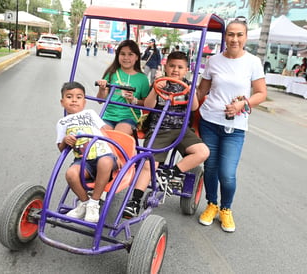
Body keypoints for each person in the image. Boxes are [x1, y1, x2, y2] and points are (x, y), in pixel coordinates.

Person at [196, 16, 267, 232]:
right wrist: (185, 108)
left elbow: (261, 94)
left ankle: (226, 209)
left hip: (235, 127)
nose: (234, 39)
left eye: (239, 35)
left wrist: (242, 104)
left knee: (227, 173)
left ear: (245, 37)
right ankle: (211, 204)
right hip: (209, 121)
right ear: (225, 36)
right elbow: (201, 91)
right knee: (210, 167)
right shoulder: (214, 61)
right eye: (230, 34)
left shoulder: (253, 62)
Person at [123, 51, 210, 218]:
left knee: (203, 152)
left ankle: (170, 173)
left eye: (180, 67)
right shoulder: (158, 83)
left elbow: (193, 108)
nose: (175, 70)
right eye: (172, 66)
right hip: (159, 128)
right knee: (149, 164)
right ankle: (134, 201)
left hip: (182, 129)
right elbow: (148, 106)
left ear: (186, 70)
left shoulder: (188, 85)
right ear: (165, 66)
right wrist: (155, 90)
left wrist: (192, 93)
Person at [56, 81, 119, 223]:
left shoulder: (90, 114)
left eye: (78, 97)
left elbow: (106, 132)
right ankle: (84, 202)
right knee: (71, 174)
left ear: (84, 102)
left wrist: (115, 152)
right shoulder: (62, 123)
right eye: (69, 96)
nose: (74, 100)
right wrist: (66, 140)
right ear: (62, 102)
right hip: (83, 160)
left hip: (104, 154)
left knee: (105, 161)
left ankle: (94, 202)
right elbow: (61, 148)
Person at [96, 39, 150, 136]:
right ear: (118, 56)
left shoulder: (142, 79)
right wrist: (102, 88)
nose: (126, 58)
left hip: (129, 117)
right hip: (108, 116)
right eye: (123, 54)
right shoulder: (111, 73)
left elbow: (146, 104)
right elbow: (100, 100)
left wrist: (134, 100)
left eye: (130, 54)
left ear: (137, 57)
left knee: (117, 137)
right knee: (99, 138)